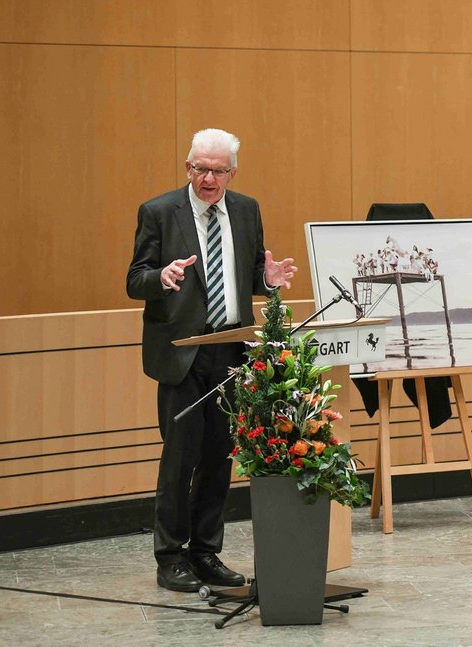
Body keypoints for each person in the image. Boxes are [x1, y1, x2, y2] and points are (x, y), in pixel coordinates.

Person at [126, 128, 298, 592]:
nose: (208, 178)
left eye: (218, 170)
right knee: (179, 459)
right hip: (183, 353)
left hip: (232, 351)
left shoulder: (246, 210)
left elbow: (247, 275)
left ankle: (206, 552)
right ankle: (170, 558)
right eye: (200, 168)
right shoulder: (160, 212)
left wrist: (268, 278)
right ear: (188, 168)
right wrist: (160, 276)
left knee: (219, 458)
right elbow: (134, 279)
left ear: (231, 173)